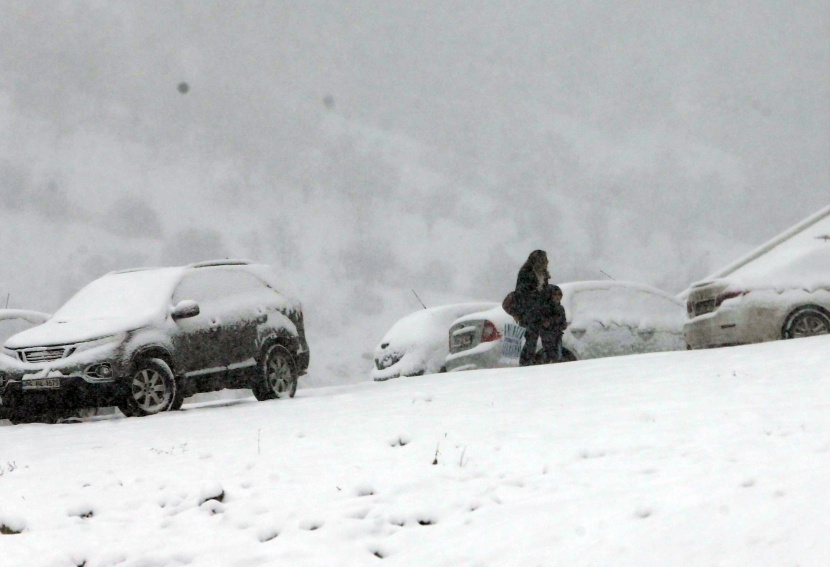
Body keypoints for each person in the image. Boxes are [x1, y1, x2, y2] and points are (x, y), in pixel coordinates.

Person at [513, 250, 567, 366]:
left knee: (547, 342)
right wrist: (538, 295)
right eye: (544, 259)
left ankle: (542, 363)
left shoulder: (543, 274)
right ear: (538, 261)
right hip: (529, 314)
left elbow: (544, 293)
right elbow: (523, 294)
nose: (547, 262)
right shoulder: (526, 273)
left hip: (541, 314)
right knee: (531, 341)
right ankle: (526, 365)